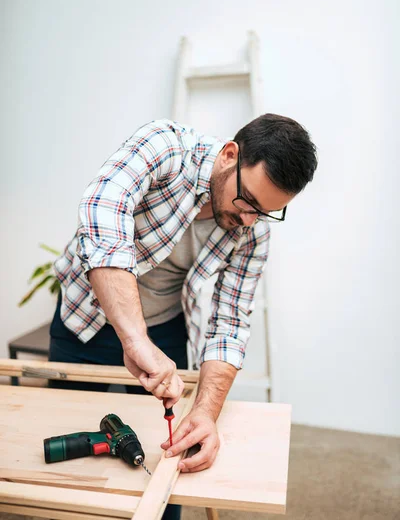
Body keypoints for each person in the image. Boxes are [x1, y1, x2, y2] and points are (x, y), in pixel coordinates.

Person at [49, 113, 317, 520]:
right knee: (67, 467)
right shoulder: (167, 146)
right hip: (83, 320)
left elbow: (230, 323)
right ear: (230, 155)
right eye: (248, 203)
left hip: (166, 334)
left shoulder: (253, 229)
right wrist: (134, 339)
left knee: (170, 458)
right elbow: (102, 208)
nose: (249, 220)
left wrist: (206, 415)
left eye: (265, 212)